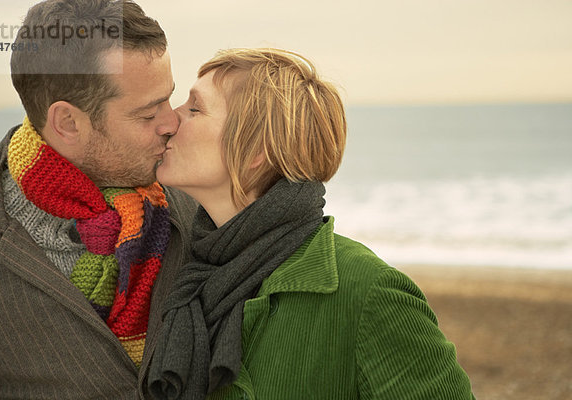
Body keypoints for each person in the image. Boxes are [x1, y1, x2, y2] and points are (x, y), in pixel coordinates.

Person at [147, 48, 475, 399]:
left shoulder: (368, 292)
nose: (169, 121)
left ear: (257, 149)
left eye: (195, 109)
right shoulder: (182, 270)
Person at [0, 1, 196, 399]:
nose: (171, 122)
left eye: (168, 98)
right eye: (147, 114)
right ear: (68, 123)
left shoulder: (198, 203)